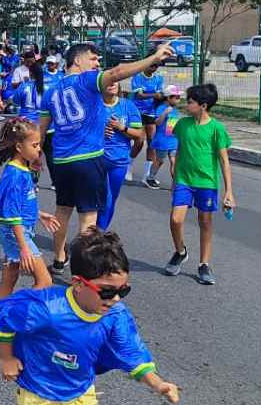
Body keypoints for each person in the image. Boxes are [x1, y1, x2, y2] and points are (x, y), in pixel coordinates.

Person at [0, 229, 180, 405]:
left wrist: (157, 383)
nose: (115, 299)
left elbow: (130, 351)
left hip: (82, 394)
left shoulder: (115, 314)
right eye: (107, 291)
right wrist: (6, 357)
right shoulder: (48, 309)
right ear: (77, 283)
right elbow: (4, 316)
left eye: (122, 291)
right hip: (43, 398)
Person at [37, 43, 174, 274]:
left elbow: (41, 130)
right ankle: (82, 271)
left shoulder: (51, 91)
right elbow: (117, 73)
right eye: (93, 59)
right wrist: (153, 57)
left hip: (61, 161)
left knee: (62, 211)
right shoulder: (85, 81)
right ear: (77, 61)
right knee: (88, 218)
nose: (97, 64)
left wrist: (35, 156)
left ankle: (59, 258)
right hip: (88, 159)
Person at [0, 119, 58, 335]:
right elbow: (11, 214)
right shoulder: (14, 174)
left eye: (39, 145)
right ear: (19, 147)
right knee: (45, 281)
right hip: (15, 234)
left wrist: (38, 214)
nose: (39, 150)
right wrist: (24, 247)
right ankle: (10, 318)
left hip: (18, 231)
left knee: (9, 278)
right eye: (35, 145)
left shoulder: (21, 170)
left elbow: (18, 204)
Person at [164, 84, 234, 286]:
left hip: (206, 182)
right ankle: (180, 251)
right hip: (183, 181)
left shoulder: (216, 129)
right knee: (176, 219)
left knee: (205, 222)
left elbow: (224, 161)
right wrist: (173, 171)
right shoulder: (182, 124)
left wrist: (229, 192)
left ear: (203, 105)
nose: (187, 104)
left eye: (191, 102)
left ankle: (204, 264)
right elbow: (174, 147)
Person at [98, 81, 144, 231]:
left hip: (119, 162)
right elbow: (81, 130)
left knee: (111, 201)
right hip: (96, 159)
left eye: (115, 82)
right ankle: (96, 232)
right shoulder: (94, 104)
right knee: (104, 198)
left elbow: (139, 135)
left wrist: (121, 127)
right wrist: (100, 132)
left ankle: (99, 232)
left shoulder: (128, 106)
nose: (112, 84)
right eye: (108, 82)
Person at [130, 64, 164, 182]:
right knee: (139, 141)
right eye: (152, 66)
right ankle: (129, 166)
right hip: (138, 111)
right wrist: (154, 95)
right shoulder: (137, 77)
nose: (154, 69)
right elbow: (138, 95)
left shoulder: (158, 78)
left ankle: (147, 174)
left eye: (156, 66)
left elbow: (160, 96)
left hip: (151, 112)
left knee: (152, 142)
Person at [144, 86, 182, 189]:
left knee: (174, 161)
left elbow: (174, 125)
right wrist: (165, 113)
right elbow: (157, 122)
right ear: (168, 98)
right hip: (163, 140)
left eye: (179, 97)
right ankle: (150, 178)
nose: (179, 99)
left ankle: (176, 184)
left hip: (173, 140)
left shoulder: (175, 110)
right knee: (160, 160)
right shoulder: (161, 108)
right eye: (177, 97)